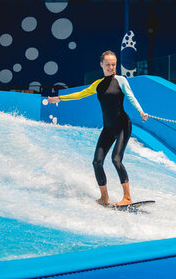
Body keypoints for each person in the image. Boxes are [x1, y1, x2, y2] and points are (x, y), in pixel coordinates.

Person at [48, 50, 149, 207]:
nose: (111, 67)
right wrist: (60, 98)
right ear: (101, 64)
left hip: (123, 125)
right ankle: (104, 198)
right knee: (97, 162)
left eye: (113, 64)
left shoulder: (121, 80)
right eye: (108, 64)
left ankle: (127, 198)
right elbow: (80, 94)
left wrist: (141, 111)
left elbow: (131, 96)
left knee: (116, 159)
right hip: (108, 128)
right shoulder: (98, 85)